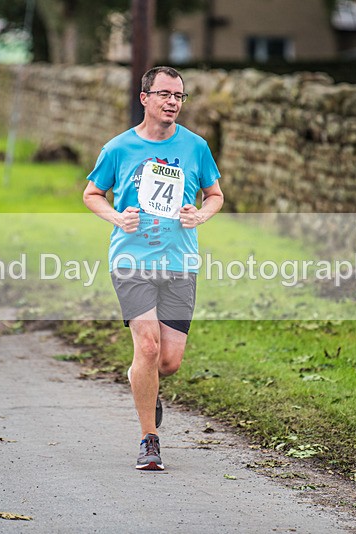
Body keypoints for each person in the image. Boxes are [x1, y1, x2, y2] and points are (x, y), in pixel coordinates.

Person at [83, 66, 224, 471]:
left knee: (167, 361)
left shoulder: (196, 147)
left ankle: (148, 384)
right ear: (144, 97)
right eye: (164, 94)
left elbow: (215, 195)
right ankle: (150, 439)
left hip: (180, 261)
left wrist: (201, 214)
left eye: (178, 96)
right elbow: (92, 193)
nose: (172, 102)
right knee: (147, 346)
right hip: (131, 260)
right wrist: (116, 217)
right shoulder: (118, 148)